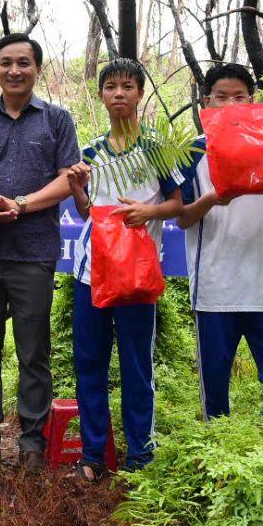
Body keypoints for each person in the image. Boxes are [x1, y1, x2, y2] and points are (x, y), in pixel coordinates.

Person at [0, 33, 80, 470]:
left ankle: (32, 441)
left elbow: (69, 178)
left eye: (23, 63)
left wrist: (23, 204)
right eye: (6, 62)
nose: (14, 70)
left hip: (34, 253)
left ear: (37, 69)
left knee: (34, 351)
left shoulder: (57, 119)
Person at [66, 57, 184, 479]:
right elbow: (85, 213)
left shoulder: (156, 148)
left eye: (127, 86)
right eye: (111, 86)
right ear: (101, 95)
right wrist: (79, 188)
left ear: (140, 94)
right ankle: (94, 456)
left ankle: (140, 457)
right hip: (90, 273)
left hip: (136, 275)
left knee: (137, 366)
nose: (119, 93)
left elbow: (178, 203)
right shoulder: (91, 151)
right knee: (89, 363)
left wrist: (148, 210)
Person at [175, 63, 263, 428]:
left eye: (239, 97)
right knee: (214, 388)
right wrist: (214, 198)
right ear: (206, 102)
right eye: (221, 97)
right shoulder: (192, 153)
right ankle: (219, 458)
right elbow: (181, 217)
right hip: (213, 291)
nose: (231, 105)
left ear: (252, 101)